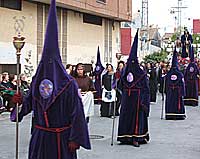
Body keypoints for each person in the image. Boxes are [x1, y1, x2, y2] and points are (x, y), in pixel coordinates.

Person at [11, 1, 91, 158]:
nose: (47, 67)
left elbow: (77, 113)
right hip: (40, 138)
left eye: (51, 62)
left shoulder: (68, 84)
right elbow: (26, 107)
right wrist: (17, 102)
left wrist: (75, 138)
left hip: (61, 139)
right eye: (44, 62)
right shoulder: (36, 83)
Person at [117, 30, 150, 147]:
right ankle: (124, 137)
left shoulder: (141, 74)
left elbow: (146, 89)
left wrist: (144, 101)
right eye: (129, 62)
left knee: (137, 118)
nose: (131, 64)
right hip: (127, 99)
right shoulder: (125, 73)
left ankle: (137, 137)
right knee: (125, 116)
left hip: (137, 100)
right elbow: (120, 85)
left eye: (133, 61)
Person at [165, 48, 186, 120]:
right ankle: (178, 114)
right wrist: (183, 93)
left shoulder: (168, 74)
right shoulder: (180, 74)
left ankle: (170, 114)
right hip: (177, 92)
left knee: (171, 102)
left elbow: (165, 83)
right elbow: (182, 84)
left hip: (171, 92)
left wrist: (165, 91)